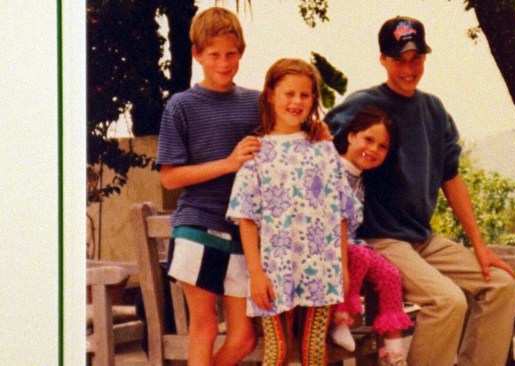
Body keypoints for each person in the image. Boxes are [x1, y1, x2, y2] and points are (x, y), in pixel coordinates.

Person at [325, 16, 515, 366]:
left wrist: (479, 246)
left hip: (423, 238)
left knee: (502, 284)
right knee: (447, 301)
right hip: (380, 238)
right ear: (383, 59)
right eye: (399, 59)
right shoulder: (362, 104)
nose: (408, 68)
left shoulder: (434, 109)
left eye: (416, 58)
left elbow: (452, 177)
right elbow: (319, 145)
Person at [226, 58, 360, 365]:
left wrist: (342, 266)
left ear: (313, 99)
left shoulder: (324, 151)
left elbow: (340, 212)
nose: (297, 101)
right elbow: (246, 219)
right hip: (275, 268)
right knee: (279, 351)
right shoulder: (255, 153)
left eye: (305, 94)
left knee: (314, 350)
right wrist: (256, 274)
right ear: (271, 94)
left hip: (322, 265)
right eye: (289, 93)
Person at [156, 7, 261, 366]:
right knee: (204, 329)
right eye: (214, 54)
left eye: (231, 54)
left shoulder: (256, 102)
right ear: (197, 54)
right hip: (197, 226)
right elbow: (169, 177)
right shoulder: (180, 105)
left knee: (244, 338)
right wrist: (229, 164)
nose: (224, 62)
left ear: (241, 53)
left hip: (243, 233)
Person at [328, 105, 413, 365]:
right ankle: (341, 321)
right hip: (330, 246)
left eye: (382, 146)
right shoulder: (329, 168)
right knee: (361, 255)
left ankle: (393, 350)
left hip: (354, 244)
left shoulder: (362, 178)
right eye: (368, 139)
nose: (373, 149)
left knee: (390, 274)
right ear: (351, 135)